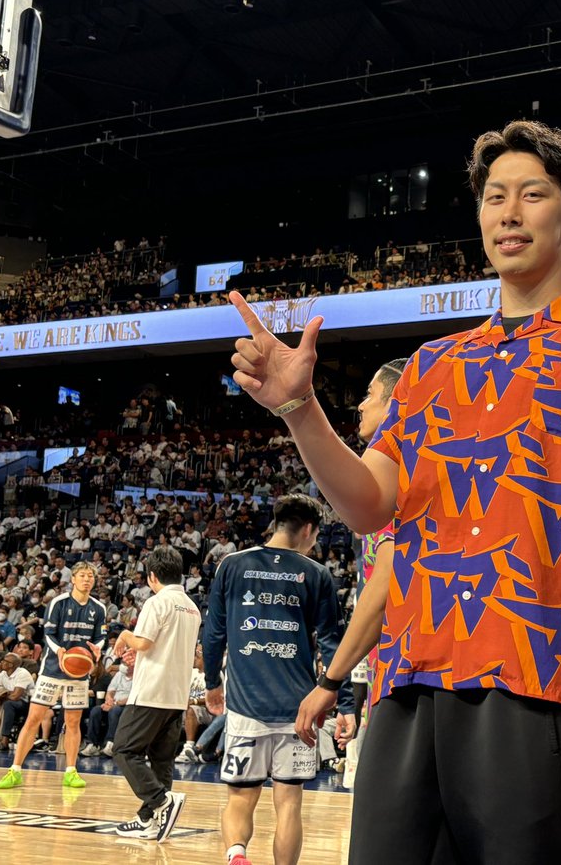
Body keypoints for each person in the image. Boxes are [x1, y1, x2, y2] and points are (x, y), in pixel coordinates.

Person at [227, 119, 561, 864]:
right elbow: (368, 506)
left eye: (532, 194)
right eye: (495, 197)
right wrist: (301, 410)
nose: (509, 213)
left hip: (544, 675)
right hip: (410, 677)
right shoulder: (432, 365)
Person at [203, 493, 354, 865]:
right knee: (288, 804)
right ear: (308, 529)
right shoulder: (317, 574)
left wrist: (211, 683)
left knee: (240, 798)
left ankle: (236, 854)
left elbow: (213, 633)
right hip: (298, 711)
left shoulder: (231, 565)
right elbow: (334, 645)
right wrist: (346, 703)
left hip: (245, 706)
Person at [294, 358, 407, 787]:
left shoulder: (400, 476)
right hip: (391, 676)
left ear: (396, 403)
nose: (360, 405)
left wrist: (330, 681)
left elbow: (386, 586)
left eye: (369, 395)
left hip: (404, 678)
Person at [110, 546, 202, 843]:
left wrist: (125, 635)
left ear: (151, 576)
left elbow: (144, 643)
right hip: (177, 693)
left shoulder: (157, 601)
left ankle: (162, 802)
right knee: (162, 760)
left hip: (152, 691)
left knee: (124, 749)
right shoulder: (192, 607)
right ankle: (148, 820)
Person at [0, 562, 106, 791]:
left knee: (73, 722)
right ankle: (15, 770)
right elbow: (48, 634)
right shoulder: (58, 602)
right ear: (73, 579)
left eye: (90, 576)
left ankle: (71, 771)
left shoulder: (99, 608)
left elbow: (99, 637)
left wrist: (98, 648)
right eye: (82, 575)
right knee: (34, 718)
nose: (87, 579)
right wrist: (60, 652)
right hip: (53, 670)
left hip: (79, 673)